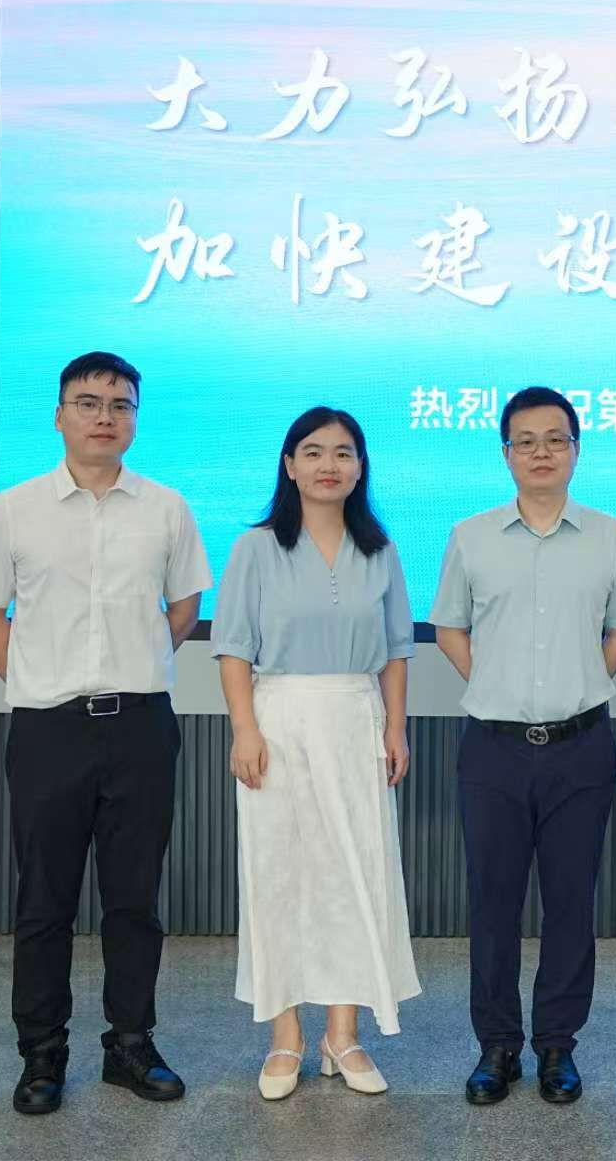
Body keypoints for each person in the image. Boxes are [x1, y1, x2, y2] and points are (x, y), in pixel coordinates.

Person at [0, 351, 211, 1115]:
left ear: (135, 418)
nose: (105, 416)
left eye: (120, 404)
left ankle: (130, 1045)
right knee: (45, 901)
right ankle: (42, 1055)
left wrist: (138, 661)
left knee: (134, 900)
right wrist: (33, 678)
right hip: (49, 730)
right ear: (60, 415)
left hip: (140, 727)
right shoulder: (14, 508)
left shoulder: (166, 507)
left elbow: (185, 607)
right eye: (89, 402)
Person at [431, 387, 616, 1107]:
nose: (541, 452)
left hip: (581, 746)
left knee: (570, 903)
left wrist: (584, 683)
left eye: (556, 439)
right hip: (493, 749)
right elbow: (450, 628)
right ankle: (496, 1046)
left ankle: (557, 1046)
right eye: (526, 440)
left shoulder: (611, 536)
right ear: (507, 453)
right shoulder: (471, 536)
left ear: (577, 449)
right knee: (493, 904)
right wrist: (494, 682)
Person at [211, 406, 420, 1102]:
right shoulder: (256, 548)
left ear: (360, 467)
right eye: (313, 451)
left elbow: (396, 651)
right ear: (289, 464)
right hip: (278, 721)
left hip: (355, 718)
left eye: (343, 452)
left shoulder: (380, 550)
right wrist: (245, 730)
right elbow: (233, 648)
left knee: (353, 871)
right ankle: (284, 1037)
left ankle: (343, 1034)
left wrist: (395, 729)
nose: (329, 464)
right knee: (279, 875)